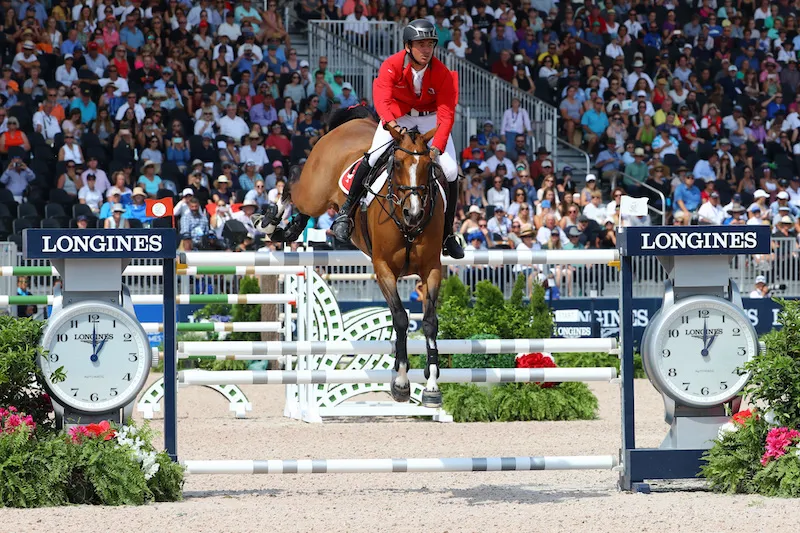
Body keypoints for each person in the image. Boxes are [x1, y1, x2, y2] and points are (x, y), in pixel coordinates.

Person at [330, 19, 464, 259]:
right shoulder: (391, 65)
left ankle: (447, 233)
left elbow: (446, 114)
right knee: (372, 157)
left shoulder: (442, 73)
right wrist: (391, 124)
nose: (426, 50)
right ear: (408, 46)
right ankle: (346, 211)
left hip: (430, 119)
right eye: (420, 44)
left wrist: (437, 149)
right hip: (398, 117)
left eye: (430, 44)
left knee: (452, 171)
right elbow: (382, 98)